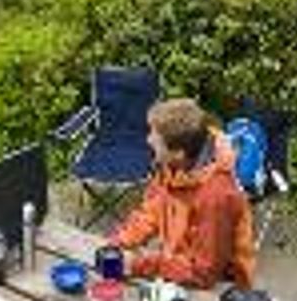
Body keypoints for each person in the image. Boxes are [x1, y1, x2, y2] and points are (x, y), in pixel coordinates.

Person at [108, 98, 255, 289]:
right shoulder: (171, 165)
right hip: (178, 262)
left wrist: (140, 265)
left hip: (220, 287)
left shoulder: (217, 197)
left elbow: (204, 273)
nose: (148, 140)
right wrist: (119, 243)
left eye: (155, 138)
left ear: (178, 153)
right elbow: (152, 210)